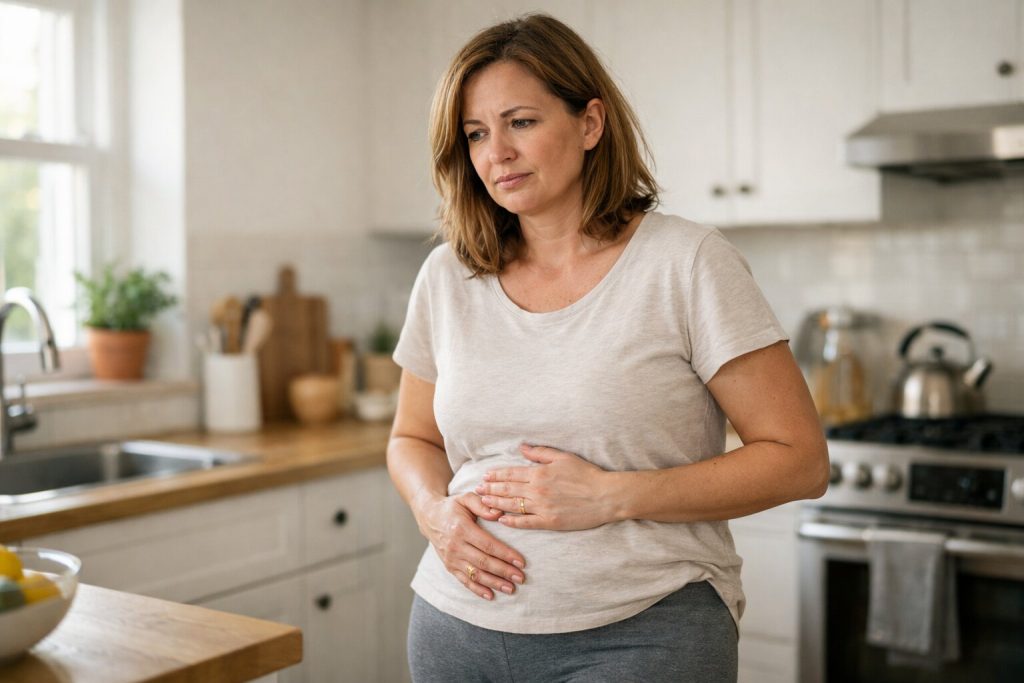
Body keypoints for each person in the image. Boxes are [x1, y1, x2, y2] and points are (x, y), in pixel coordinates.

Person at [386, 12, 829, 683]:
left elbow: (800, 460)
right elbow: (410, 438)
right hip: (455, 632)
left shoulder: (686, 262)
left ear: (590, 123)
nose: (496, 152)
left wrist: (612, 496)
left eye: (520, 122)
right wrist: (434, 514)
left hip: (641, 634)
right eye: (475, 133)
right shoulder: (448, 274)